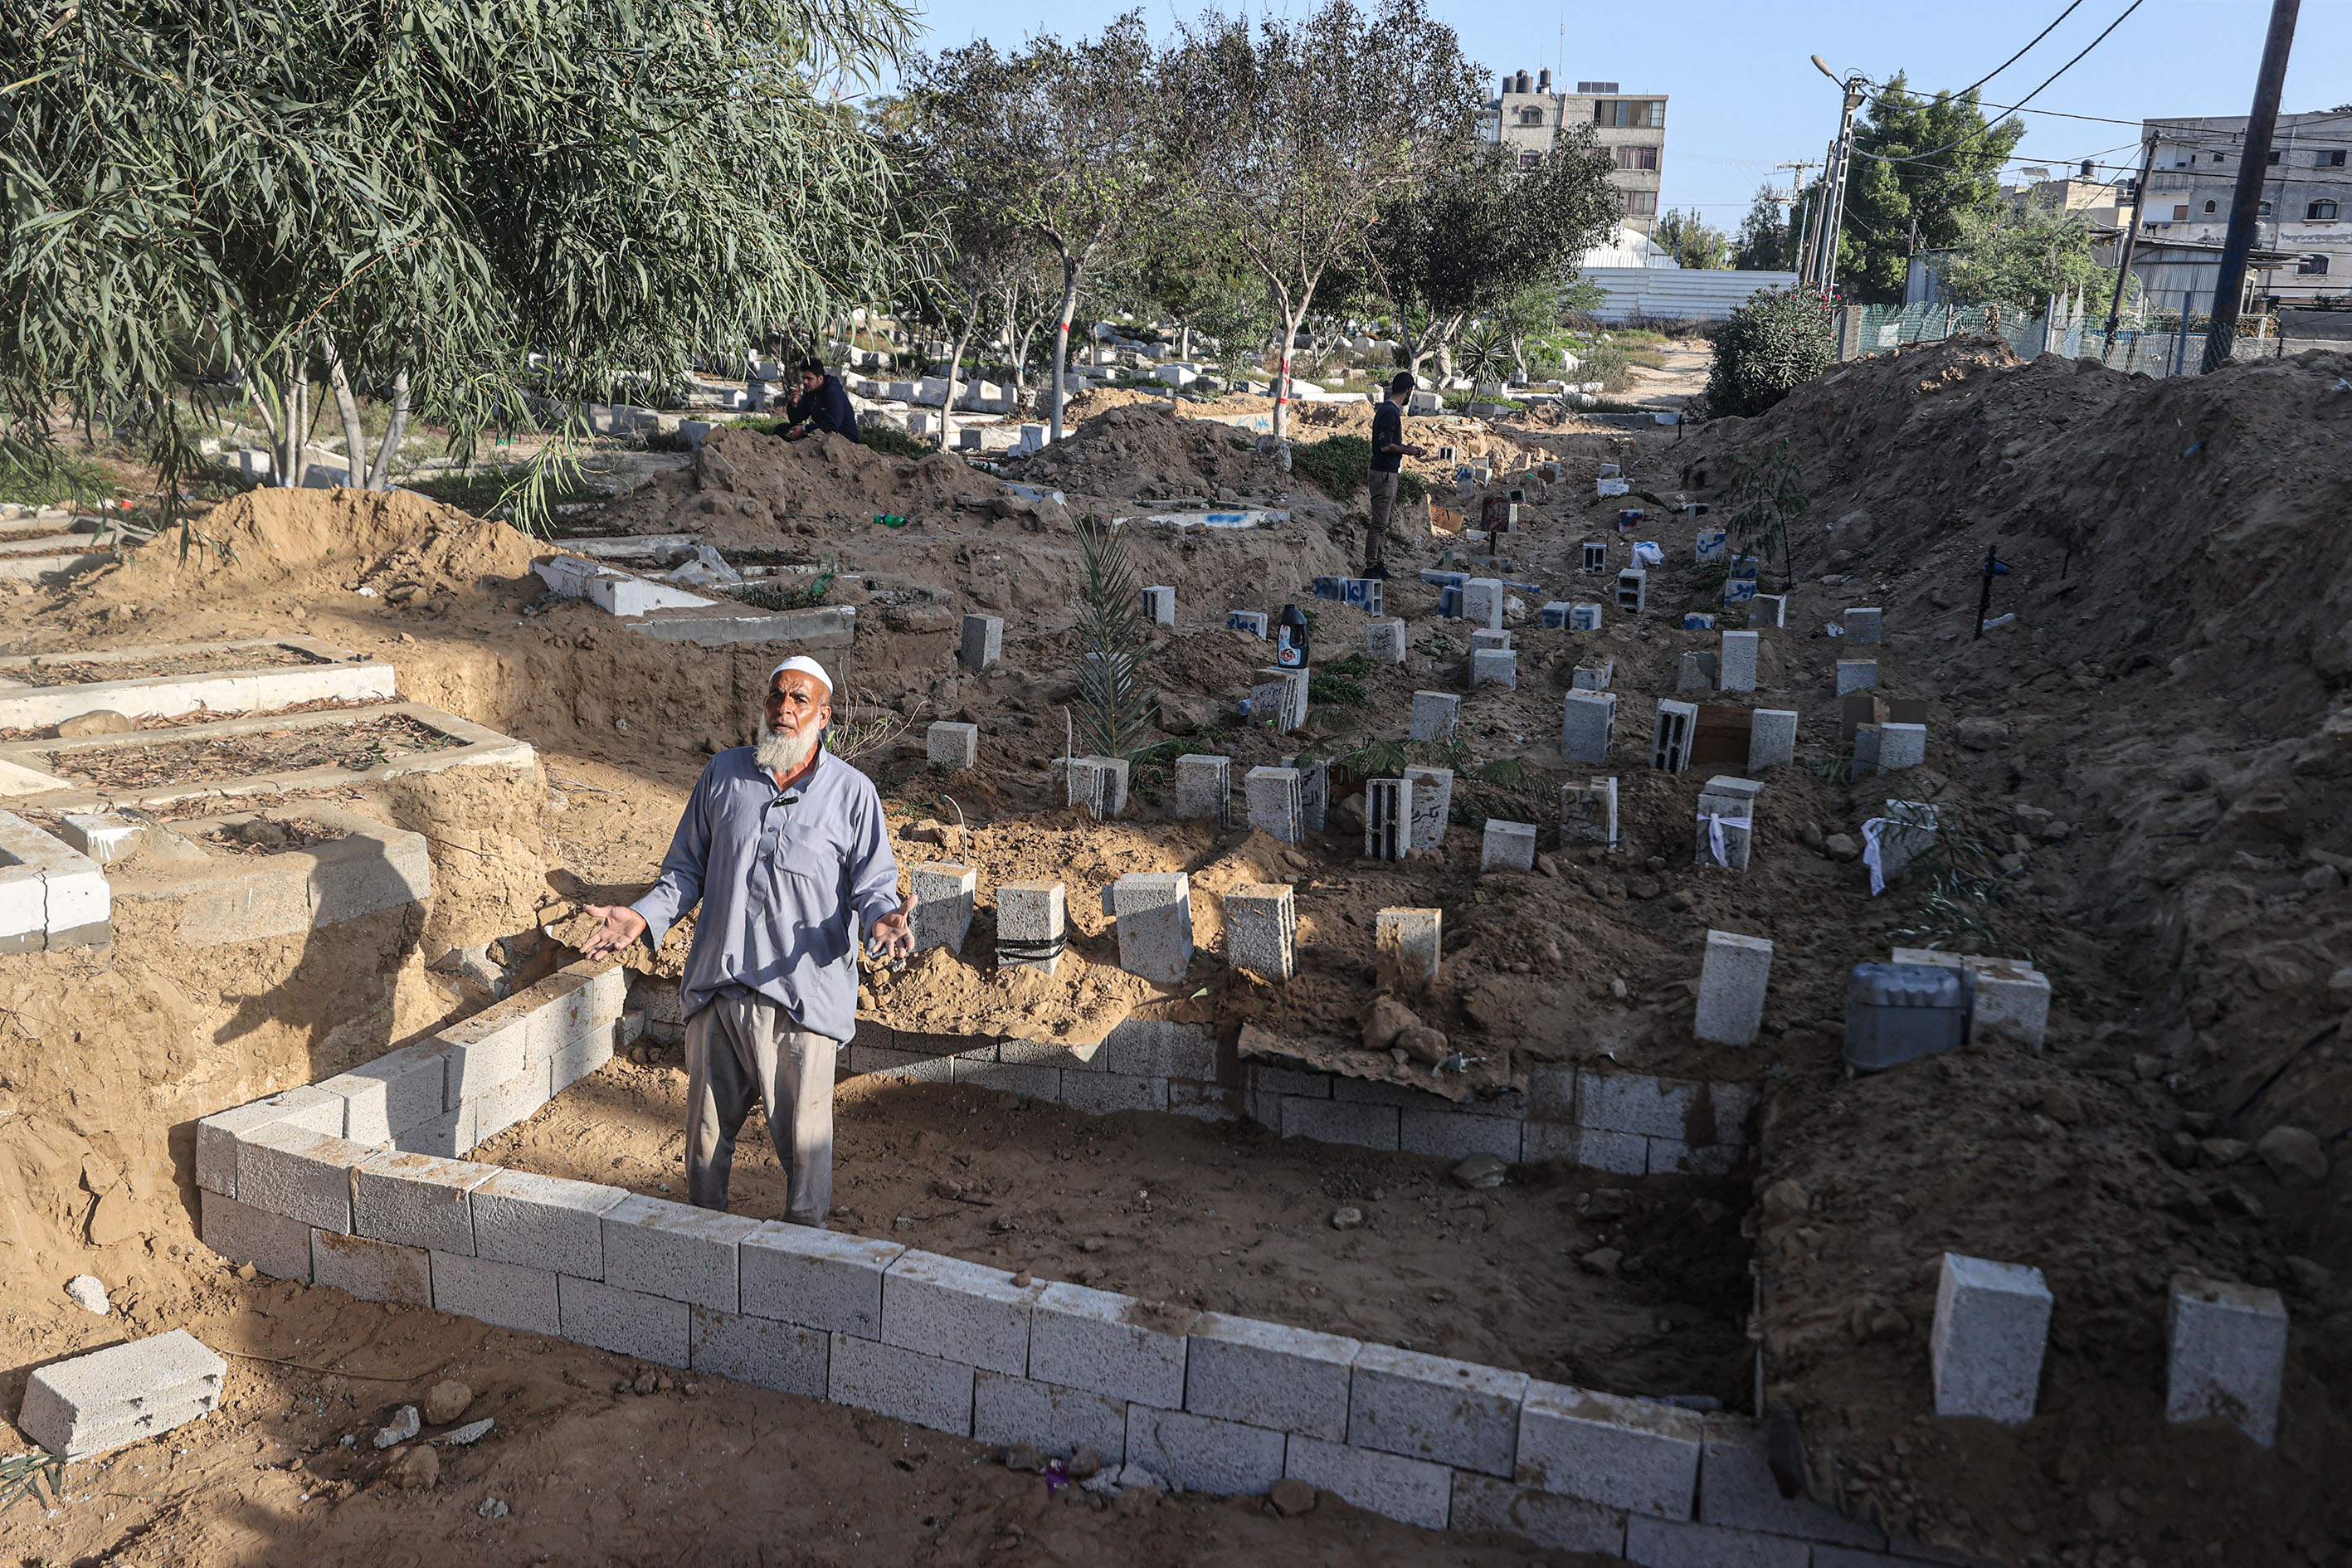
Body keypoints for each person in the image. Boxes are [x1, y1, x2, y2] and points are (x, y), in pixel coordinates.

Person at [580, 656, 911, 1224]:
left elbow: (874, 885)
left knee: (804, 1151)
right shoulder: (724, 774)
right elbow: (684, 871)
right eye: (776, 697)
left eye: (800, 700)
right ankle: (704, 1251)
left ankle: (802, 1257)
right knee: (705, 1146)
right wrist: (640, 918)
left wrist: (882, 920)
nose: (784, 708)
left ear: (824, 715)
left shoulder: (852, 794)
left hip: (800, 1000)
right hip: (719, 988)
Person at [1365, 371, 1427, 577]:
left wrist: (1404, 449)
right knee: (1379, 523)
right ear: (1408, 391)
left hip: (1387, 473)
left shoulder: (1389, 410)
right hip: (1383, 474)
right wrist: (1407, 450)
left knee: (1384, 521)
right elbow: (1385, 446)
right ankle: (1371, 566)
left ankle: (1378, 563)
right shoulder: (1390, 412)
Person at [782, 363, 862, 443]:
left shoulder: (833, 392)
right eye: (804, 378)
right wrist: (794, 405)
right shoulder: (810, 391)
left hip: (842, 438)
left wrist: (804, 429)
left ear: (820, 378)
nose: (805, 382)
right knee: (782, 430)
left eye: (809, 379)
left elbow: (832, 425)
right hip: (822, 433)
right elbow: (797, 419)